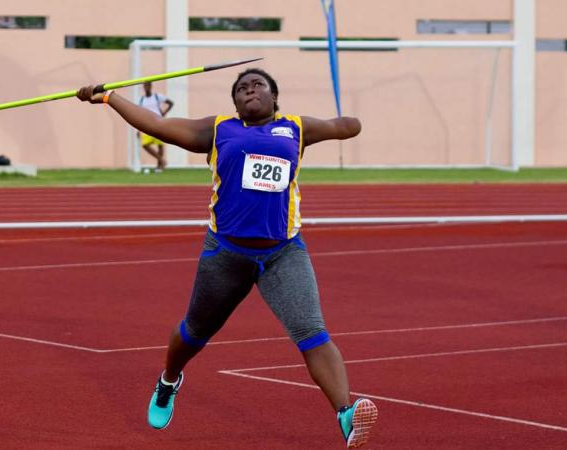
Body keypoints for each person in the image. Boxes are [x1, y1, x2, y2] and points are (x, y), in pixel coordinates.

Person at [76, 68, 378, 448]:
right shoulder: (219, 130)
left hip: (283, 253)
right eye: (241, 88)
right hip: (226, 253)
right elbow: (155, 122)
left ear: (274, 97)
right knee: (194, 332)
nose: (249, 89)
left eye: (258, 85)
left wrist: (345, 122)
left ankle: (346, 414)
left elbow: (348, 126)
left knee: (312, 333)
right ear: (234, 103)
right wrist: (108, 97)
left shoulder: (296, 128)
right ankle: (169, 380)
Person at [137, 81, 174, 172]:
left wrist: (164, 113)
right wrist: (138, 129)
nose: (147, 87)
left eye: (148, 85)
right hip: (147, 125)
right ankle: (161, 160)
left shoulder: (157, 97)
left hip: (159, 123)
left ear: (151, 86)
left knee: (160, 145)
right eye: (145, 86)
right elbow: (139, 115)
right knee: (145, 145)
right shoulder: (141, 100)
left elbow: (171, 103)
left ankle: (159, 166)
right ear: (143, 87)